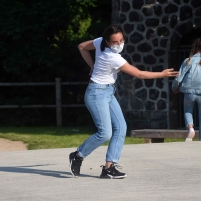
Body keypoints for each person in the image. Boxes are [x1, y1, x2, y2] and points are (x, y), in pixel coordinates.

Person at [69, 24, 179, 179]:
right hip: (96, 94)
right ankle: (78, 155)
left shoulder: (99, 42)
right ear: (107, 42)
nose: (119, 44)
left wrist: (92, 66)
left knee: (121, 127)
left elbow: (82, 47)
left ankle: (109, 167)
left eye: (121, 40)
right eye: (115, 42)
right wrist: (161, 74)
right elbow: (139, 74)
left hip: (108, 92)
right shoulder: (113, 57)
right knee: (105, 133)